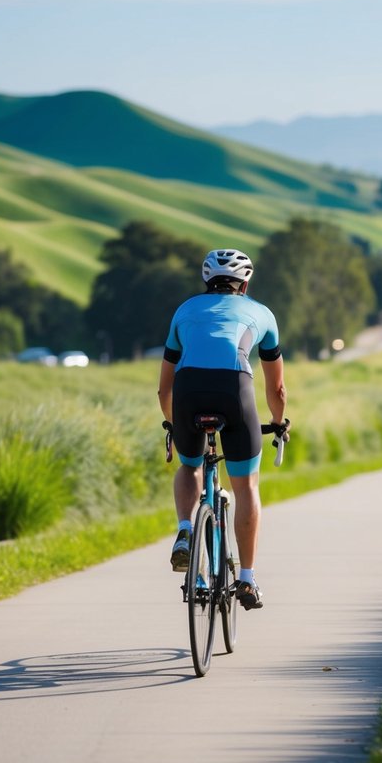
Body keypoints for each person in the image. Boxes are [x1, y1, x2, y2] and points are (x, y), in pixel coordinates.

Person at [157, 249, 288, 610]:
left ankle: (185, 528)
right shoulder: (262, 313)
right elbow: (276, 389)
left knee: (190, 465)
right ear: (245, 283)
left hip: (187, 392)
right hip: (235, 388)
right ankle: (246, 579)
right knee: (245, 486)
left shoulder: (184, 311)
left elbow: (163, 388)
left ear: (206, 281)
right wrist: (277, 423)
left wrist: (174, 422)